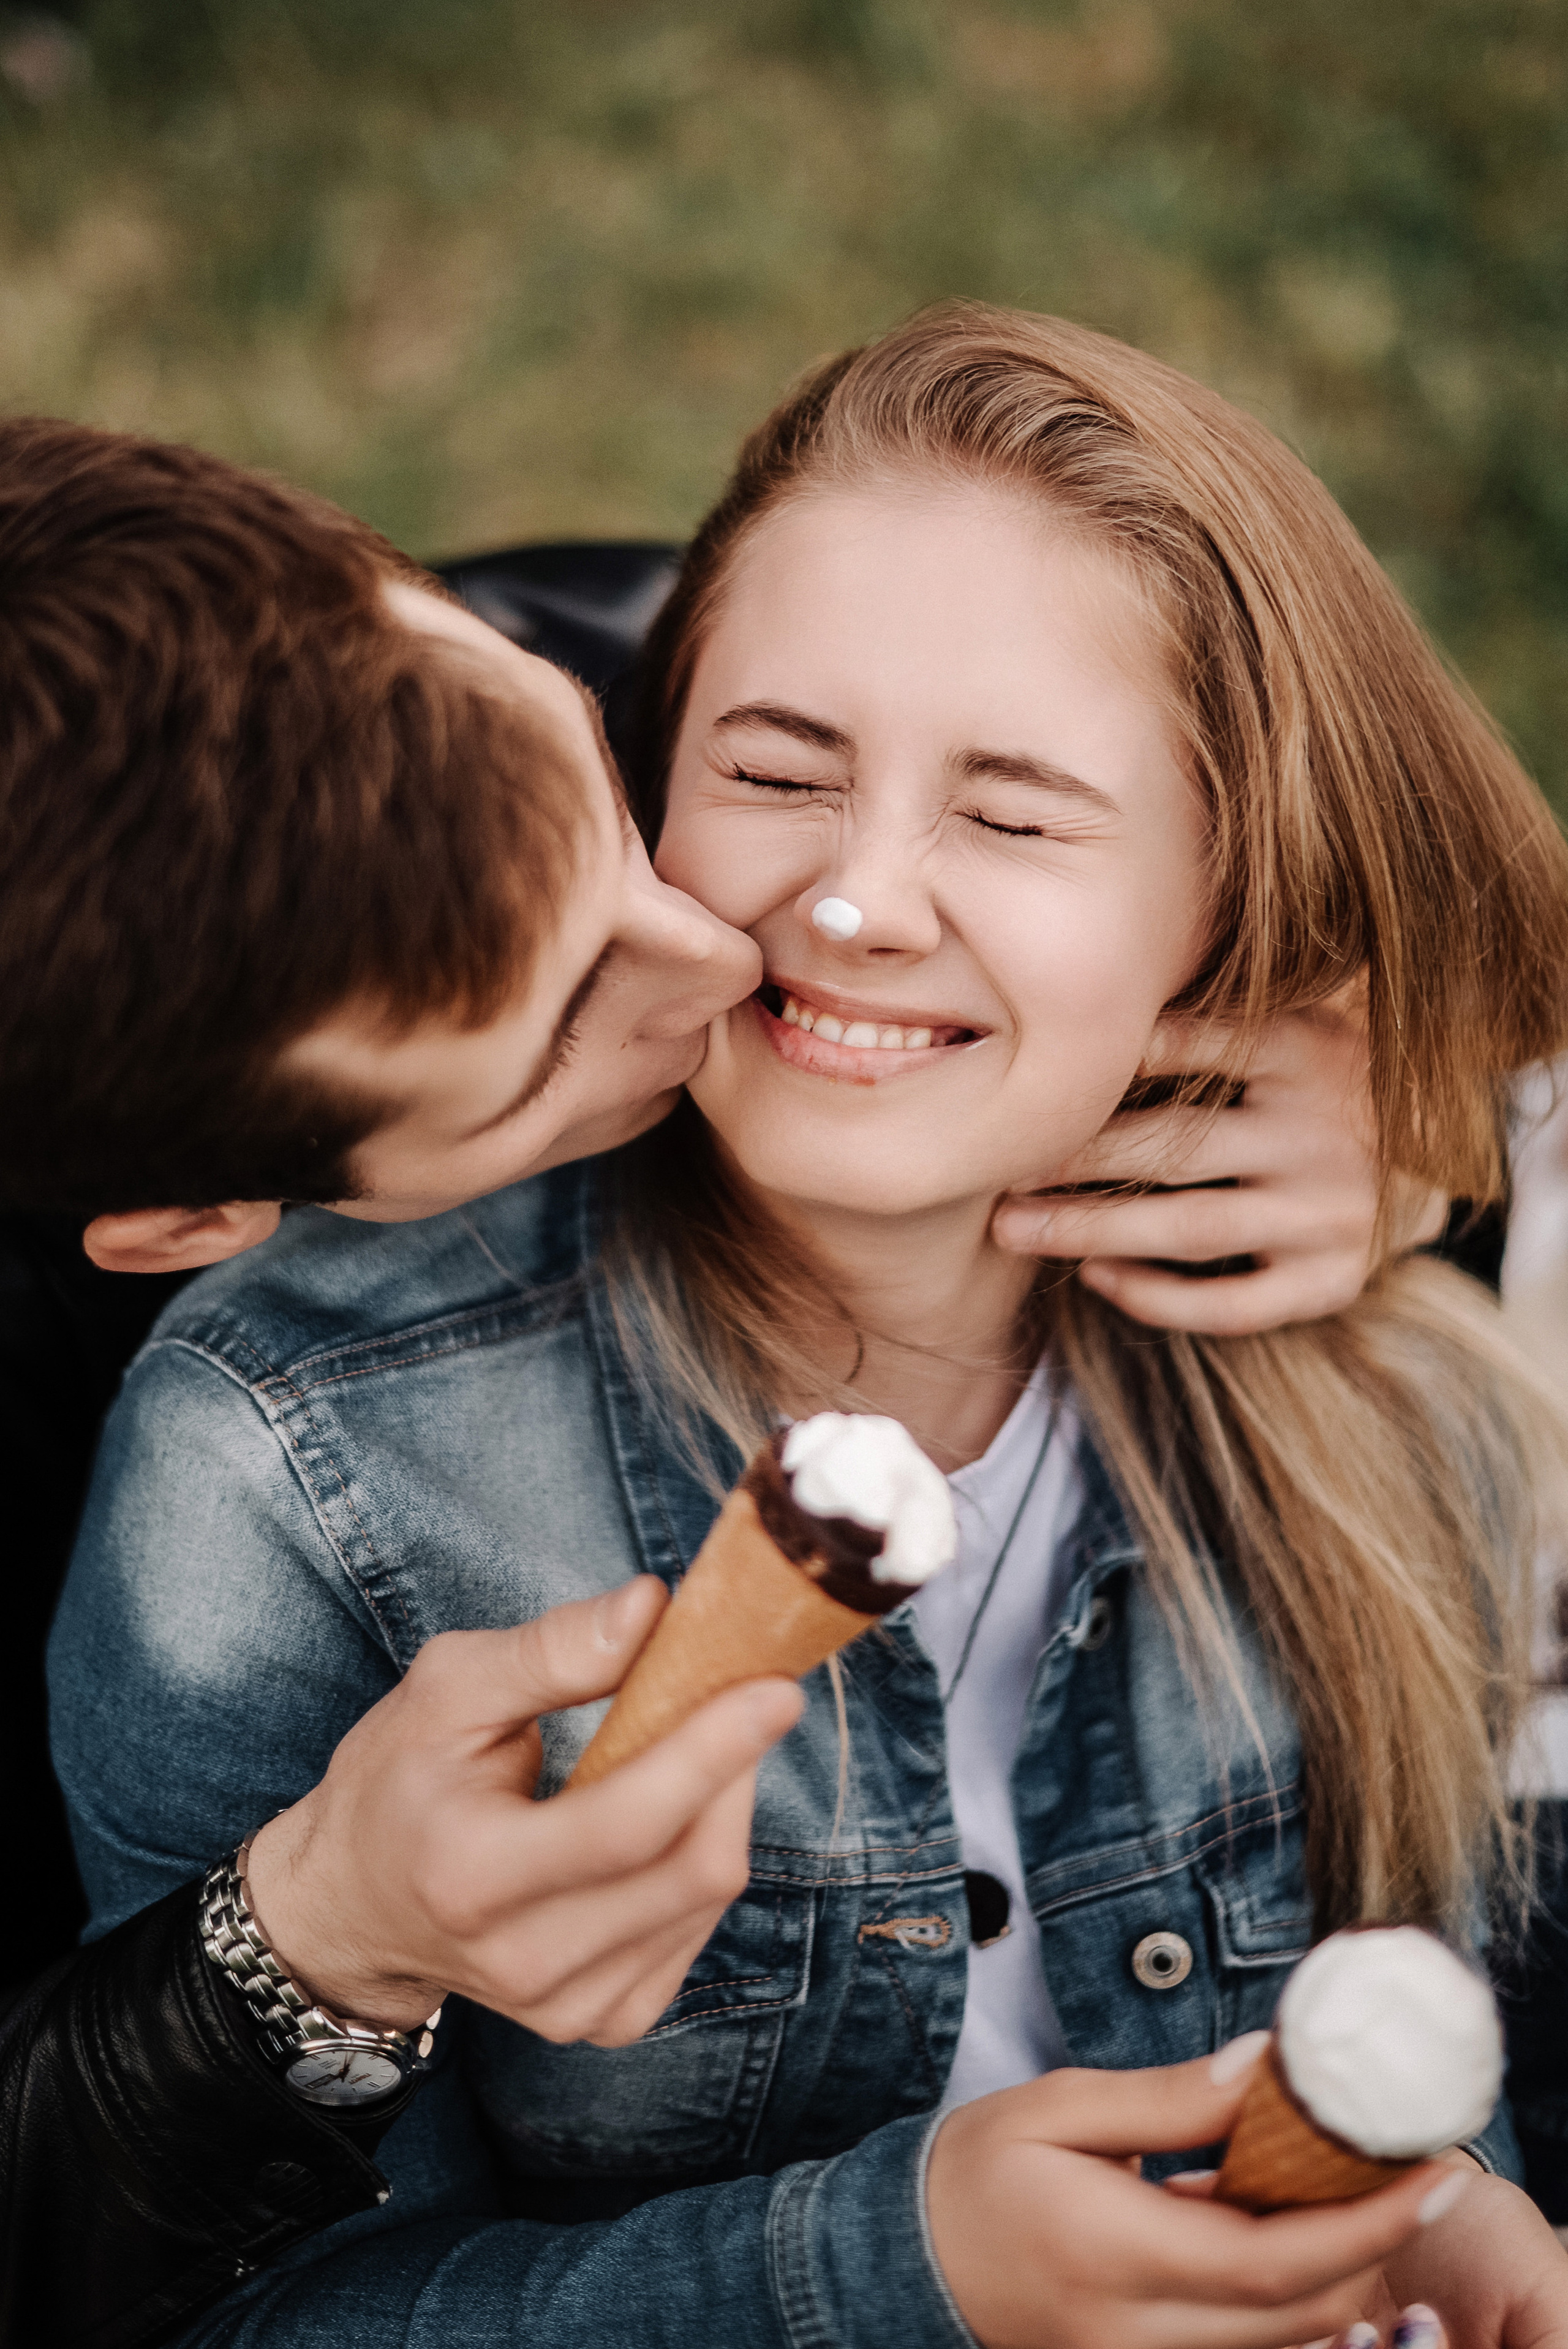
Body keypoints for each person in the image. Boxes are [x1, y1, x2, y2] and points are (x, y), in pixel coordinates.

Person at [50, 309, 1568, 2347]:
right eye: (773, 771)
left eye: (1015, 815)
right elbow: (224, 2297)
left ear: (1228, 905)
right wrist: (902, 2272)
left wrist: (1435, 2194)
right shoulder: (294, 1460)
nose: (843, 903)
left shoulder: (1391, 1381)